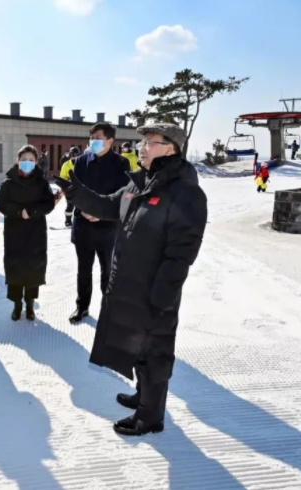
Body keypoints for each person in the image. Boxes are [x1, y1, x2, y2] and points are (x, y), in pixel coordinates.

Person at [54, 122, 207, 437]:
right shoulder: (140, 183)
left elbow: (182, 252)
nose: (143, 147)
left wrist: (163, 295)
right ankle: (143, 396)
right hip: (129, 283)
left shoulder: (185, 192)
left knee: (155, 351)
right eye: (143, 142)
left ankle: (151, 417)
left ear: (171, 148)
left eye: (151, 142)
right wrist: (75, 192)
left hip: (155, 290)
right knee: (137, 346)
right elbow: (108, 204)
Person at [68, 123, 131, 324]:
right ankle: (82, 306)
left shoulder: (121, 164)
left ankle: (108, 309)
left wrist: (102, 214)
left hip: (108, 227)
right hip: (83, 224)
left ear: (110, 141)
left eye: (98, 137)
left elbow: (123, 197)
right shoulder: (80, 161)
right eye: (92, 137)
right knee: (83, 269)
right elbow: (76, 191)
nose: (93, 141)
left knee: (108, 271)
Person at [0, 145, 56, 321]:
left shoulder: (42, 183)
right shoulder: (9, 182)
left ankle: (30, 304)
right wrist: (17, 212)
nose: (27, 163)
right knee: (15, 267)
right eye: (24, 159)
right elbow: (1, 203)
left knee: (33, 268)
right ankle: (16, 305)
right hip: (14, 231)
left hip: (35, 232)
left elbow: (49, 204)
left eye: (31, 160)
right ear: (18, 161)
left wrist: (32, 211)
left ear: (36, 162)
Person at [60, 147, 80, 227]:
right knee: (70, 205)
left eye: (75, 154)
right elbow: (62, 177)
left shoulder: (81, 163)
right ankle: (68, 220)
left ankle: (78, 221)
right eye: (72, 154)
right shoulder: (66, 164)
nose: (73, 156)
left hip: (79, 188)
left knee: (80, 206)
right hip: (69, 188)